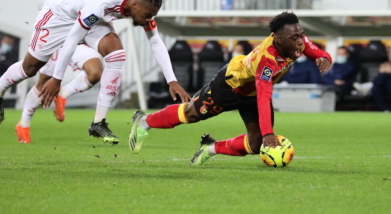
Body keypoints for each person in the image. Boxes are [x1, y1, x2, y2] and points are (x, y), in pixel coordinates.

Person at [0, 0, 190, 146]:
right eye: (148, 15)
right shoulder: (102, 3)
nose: (149, 19)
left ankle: (98, 123)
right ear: (135, 5)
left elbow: (155, 41)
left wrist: (171, 80)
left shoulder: (138, 2)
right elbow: (72, 38)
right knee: (30, 68)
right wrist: (57, 78)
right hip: (59, 13)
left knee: (116, 54)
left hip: (88, 16)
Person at [128, 12, 332, 165]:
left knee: (255, 145)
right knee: (192, 114)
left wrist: (325, 58)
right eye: (294, 38)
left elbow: (317, 51)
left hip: (252, 93)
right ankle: (145, 121)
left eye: (301, 35)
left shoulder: (296, 40)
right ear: (278, 39)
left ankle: (211, 148)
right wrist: (269, 132)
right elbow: (264, 96)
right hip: (230, 85)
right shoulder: (267, 61)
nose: (300, 42)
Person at [15, 0, 102, 144]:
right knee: (44, 83)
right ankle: (24, 124)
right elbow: (41, 2)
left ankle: (63, 94)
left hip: (78, 35)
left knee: (95, 72)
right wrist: (67, 8)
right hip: (58, 36)